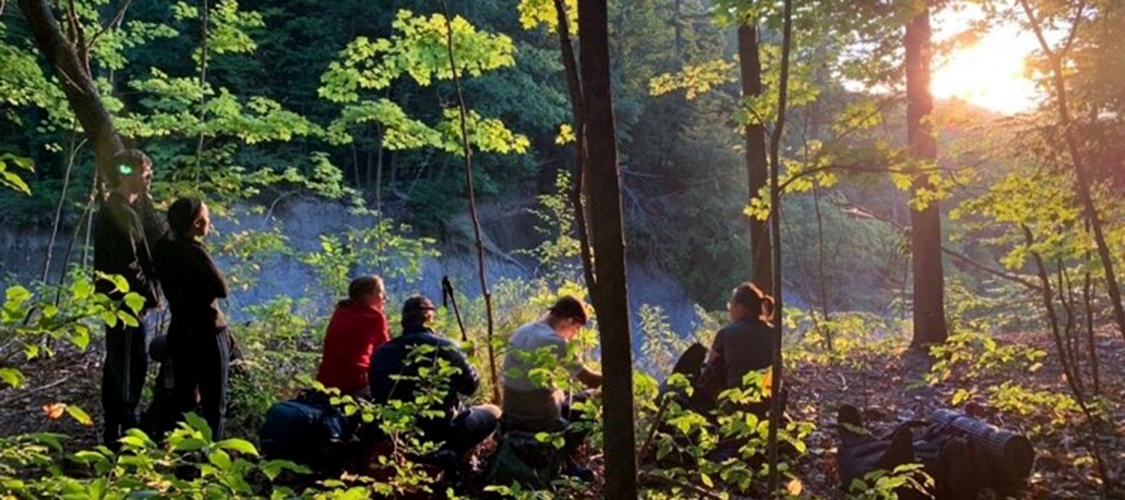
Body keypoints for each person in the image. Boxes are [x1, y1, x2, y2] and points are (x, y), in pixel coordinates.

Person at [368, 296, 500, 457]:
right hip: (443, 431)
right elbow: (470, 388)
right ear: (430, 319)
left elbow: (376, 393)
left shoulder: (382, 351)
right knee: (494, 411)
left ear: (404, 321)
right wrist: (471, 362)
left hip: (395, 433)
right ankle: (451, 454)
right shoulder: (447, 347)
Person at [94, 149, 160, 448]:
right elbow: (128, 264)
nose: (149, 179)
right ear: (127, 175)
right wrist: (149, 295)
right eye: (145, 174)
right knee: (130, 363)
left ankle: (116, 429)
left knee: (122, 361)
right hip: (124, 302)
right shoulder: (119, 212)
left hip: (120, 301)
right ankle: (125, 430)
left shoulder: (118, 209)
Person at [154, 197, 232, 440]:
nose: (210, 223)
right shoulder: (195, 252)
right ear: (197, 223)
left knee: (183, 399)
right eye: (207, 218)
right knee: (214, 403)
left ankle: (181, 456)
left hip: (180, 329)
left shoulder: (163, 249)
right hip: (208, 331)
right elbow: (222, 289)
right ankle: (212, 454)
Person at [502, 295, 602, 434]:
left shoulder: (522, 330)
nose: (574, 335)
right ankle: (570, 442)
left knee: (562, 389)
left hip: (512, 414)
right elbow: (591, 380)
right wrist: (617, 377)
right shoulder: (556, 342)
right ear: (568, 321)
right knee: (596, 394)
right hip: (541, 420)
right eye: (576, 328)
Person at [696, 282, 776, 414]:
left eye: (730, 305)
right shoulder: (773, 333)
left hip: (735, 400)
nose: (729, 309)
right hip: (766, 399)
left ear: (740, 307)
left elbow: (710, 368)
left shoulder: (727, 333)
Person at [316, 275, 389, 397]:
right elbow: (385, 353)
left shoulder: (341, 311)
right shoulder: (375, 317)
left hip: (325, 381)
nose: (385, 297)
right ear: (367, 296)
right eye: (380, 292)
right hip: (354, 383)